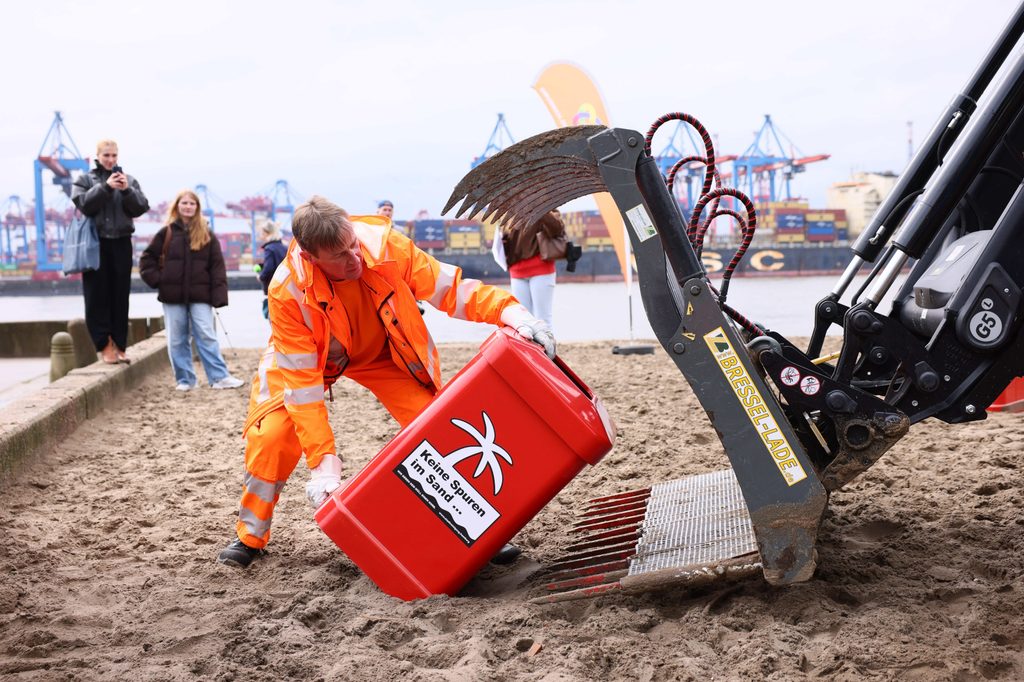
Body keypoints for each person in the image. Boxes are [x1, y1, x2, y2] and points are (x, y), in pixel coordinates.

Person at [217, 196, 554, 569]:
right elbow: (302, 388)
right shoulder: (286, 290)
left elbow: (452, 290)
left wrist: (511, 311)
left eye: (353, 245)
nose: (355, 258)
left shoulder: (385, 244)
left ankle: (485, 533)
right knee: (272, 438)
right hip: (314, 358)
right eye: (340, 256)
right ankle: (250, 537)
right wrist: (324, 467)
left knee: (439, 426)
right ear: (311, 258)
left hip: (384, 353)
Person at [138, 190, 245, 392]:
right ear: (177, 206)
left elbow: (217, 267)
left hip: (201, 295)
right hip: (172, 296)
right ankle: (185, 380)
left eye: (192, 203)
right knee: (177, 339)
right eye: (184, 203)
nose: (188, 206)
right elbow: (146, 260)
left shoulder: (207, 234)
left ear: (197, 207)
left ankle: (219, 377)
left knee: (206, 334)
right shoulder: (166, 233)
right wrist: (160, 281)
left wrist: (219, 296)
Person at [71, 139, 150, 364]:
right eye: (106, 155)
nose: (110, 159)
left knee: (120, 296)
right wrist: (106, 187)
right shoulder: (85, 180)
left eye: (114, 155)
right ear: (97, 156)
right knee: (96, 296)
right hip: (95, 243)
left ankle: (120, 345)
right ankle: (104, 345)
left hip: (122, 242)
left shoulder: (129, 180)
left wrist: (126, 191)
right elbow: (85, 205)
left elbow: (141, 207)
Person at [502, 209, 566, 329]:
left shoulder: (547, 206)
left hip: (541, 270)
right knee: (523, 321)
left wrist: (541, 208)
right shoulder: (511, 211)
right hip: (517, 273)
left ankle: (546, 343)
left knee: (543, 320)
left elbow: (557, 230)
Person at [256, 218, 287, 319]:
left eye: (261, 233)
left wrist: (261, 276)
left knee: (273, 318)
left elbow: (269, 268)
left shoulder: (269, 248)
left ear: (267, 233)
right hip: (285, 288)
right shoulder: (284, 247)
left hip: (273, 287)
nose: (260, 235)